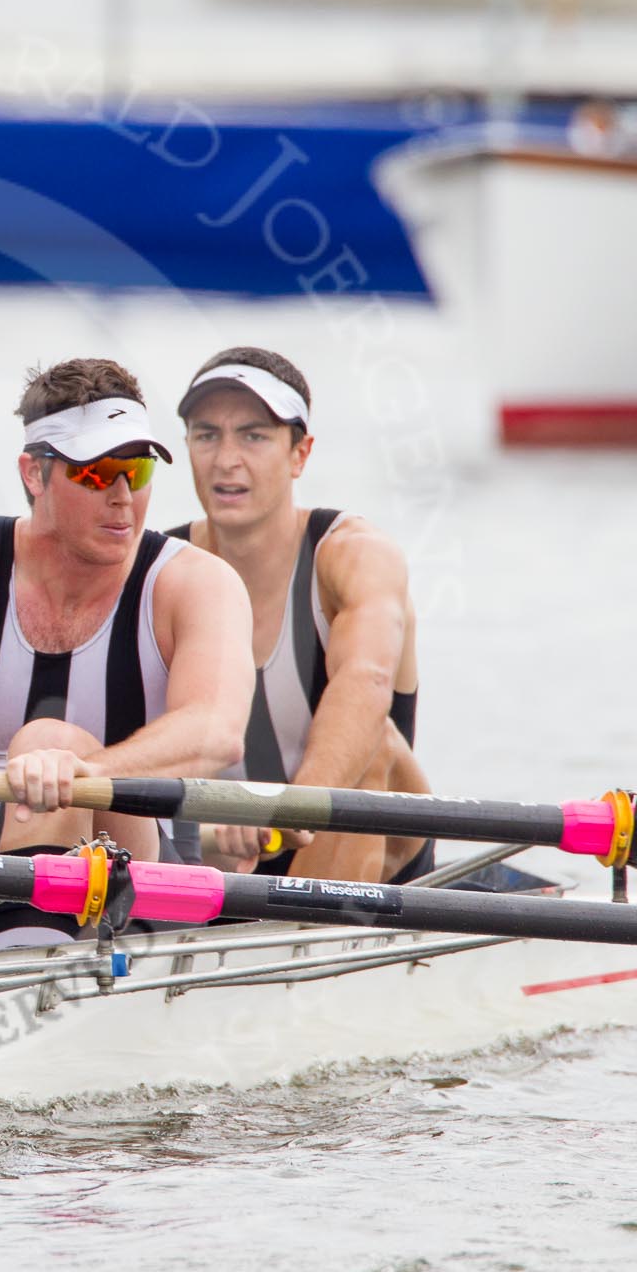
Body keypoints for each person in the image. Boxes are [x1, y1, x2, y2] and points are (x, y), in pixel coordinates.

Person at [0, 358, 254, 950]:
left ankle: (12, 970)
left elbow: (217, 731)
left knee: (51, 742)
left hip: (132, 863)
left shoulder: (196, 583)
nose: (124, 497)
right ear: (34, 473)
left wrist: (87, 771)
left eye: (138, 469)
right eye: (97, 474)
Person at [167, 347, 432, 883]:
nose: (226, 460)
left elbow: (367, 680)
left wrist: (290, 811)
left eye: (254, 435)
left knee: (371, 739)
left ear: (300, 454)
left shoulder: (354, 555)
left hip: (372, 851)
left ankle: (321, 939)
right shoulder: (162, 568)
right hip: (223, 844)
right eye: (206, 435)